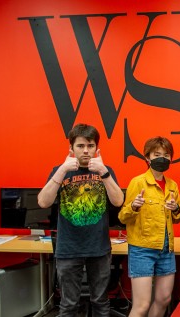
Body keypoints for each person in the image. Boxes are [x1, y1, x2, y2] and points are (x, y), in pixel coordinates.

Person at [38, 123, 124, 316]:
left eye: (90, 146)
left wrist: (104, 173)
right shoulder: (60, 171)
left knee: (101, 303)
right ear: (71, 148)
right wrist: (62, 170)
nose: (86, 151)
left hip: (99, 248)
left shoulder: (105, 170)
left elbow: (118, 201)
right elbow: (43, 202)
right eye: (80, 146)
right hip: (68, 248)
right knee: (68, 305)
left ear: (96, 148)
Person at [118, 136, 180, 317]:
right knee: (142, 305)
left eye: (166, 155)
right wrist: (134, 206)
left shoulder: (172, 185)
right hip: (142, 248)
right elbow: (123, 217)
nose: (162, 158)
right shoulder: (137, 182)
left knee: (164, 299)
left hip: (166, 248)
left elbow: (177, 218)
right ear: (147, 158)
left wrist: (176, 208)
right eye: (157, 154)